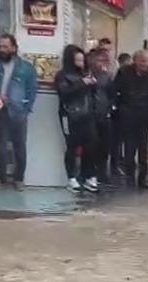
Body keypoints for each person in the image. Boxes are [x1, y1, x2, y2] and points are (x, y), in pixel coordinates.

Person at [0, 33, 37, 190]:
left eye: (6, 47)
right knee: (0, 146)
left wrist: (25, 108)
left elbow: (32, 90)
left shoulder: (26, 68)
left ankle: (19, 179)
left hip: (18, 112)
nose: (2, 49)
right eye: (0, 46)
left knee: (19, 146)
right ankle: (1, 178)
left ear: (14, 48)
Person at [114, 50, 148, 189]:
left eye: (147, 61)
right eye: (142, 61)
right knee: (129, 150)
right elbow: (116, 91)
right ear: (135, 61)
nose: (145, 64)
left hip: (144, 117)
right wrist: (120, 109)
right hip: (128, 115)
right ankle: (130, 177)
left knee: (143, 151)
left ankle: (142, 179)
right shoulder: (124, 72)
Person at [55, 44, 98, 193]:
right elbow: (64, 93)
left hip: (87, 115)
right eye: (77, 61)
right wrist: (82, 83)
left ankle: (88, 176)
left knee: (91, 145)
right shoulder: (62, 75)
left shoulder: (86, 73)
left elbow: (93, 94)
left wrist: (92, 84)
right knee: (72, 147)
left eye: (82, 60)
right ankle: (71, 177)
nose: (81, 64)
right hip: (70, 115)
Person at [89, 48, 116, 185]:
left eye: (103, 60)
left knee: (104, 146)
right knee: (91, 144)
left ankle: (102, 172)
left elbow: (112, 95)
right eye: (99, 60)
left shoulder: (108, 76)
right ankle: (90, 172)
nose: (101, 63)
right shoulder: (87, 74)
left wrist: (110, 109)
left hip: (104, 114)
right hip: (90, 114)